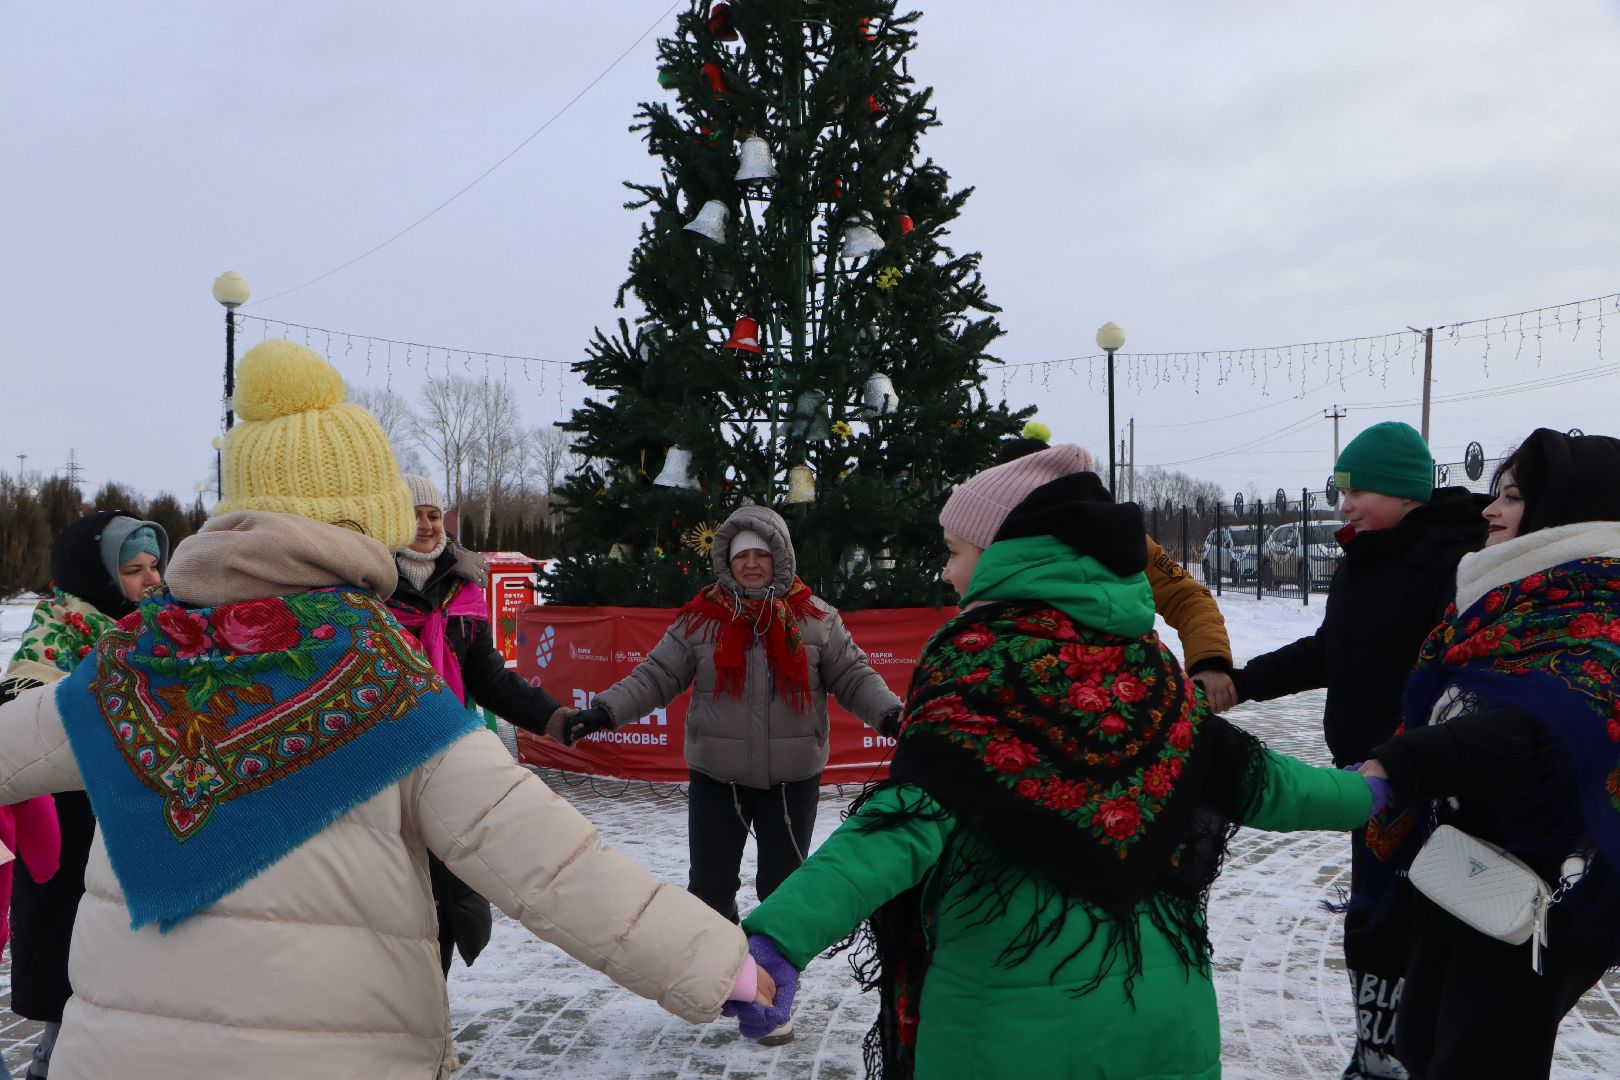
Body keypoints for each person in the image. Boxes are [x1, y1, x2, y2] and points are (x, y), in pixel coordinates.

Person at [0, 340, 769, 1079]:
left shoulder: (134, 661)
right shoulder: (383, 685)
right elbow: (551, 863)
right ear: (364, 526)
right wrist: (722, 966)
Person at [723, 444, 1386, 1078]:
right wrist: (1369, 792)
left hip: (1001, 1027)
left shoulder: (976, 668)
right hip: (1164, 1020)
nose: (948, 573)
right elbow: (1264, 782)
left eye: (955, 553)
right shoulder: (1152, 673)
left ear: (1005, 557)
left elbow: (901, 825)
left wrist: (780, 936)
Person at [554, 503, 903, 1042]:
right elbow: (655, 676)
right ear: (727, 562)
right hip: (718, 778)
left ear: (780, 558)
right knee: (710, 887)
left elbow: (855, 677)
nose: (753, 565)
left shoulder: (816, 618)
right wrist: (602, 712)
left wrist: (890, 715)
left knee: (783, 891)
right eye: (743, 556)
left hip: (791, 779)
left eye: (763, 555)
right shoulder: (700, 621)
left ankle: (775, 995)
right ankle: (724, 980)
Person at [1230, 420, 1489, 1079]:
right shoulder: (1362, 562)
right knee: (1376, 919)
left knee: (1426, 921)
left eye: (1359, 491)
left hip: (1427, 778)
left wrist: (1411, 752)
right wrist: (1239, 684)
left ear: (1405, 493)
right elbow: (1330, 652)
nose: (1344, 505)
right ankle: (1379, 1053)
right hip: (1367, 780)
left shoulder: (1451, 561)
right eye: (1340, 491)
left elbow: (1458, 674)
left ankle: (1420, 1054)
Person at [1362, 428, 1620, 1079]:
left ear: (1569, 508)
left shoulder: (1602, 610)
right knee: (1423, 1043)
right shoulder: (1513, 602)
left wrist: (1403, 762)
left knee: (1479, 1058)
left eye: (1511, 496)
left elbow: (1546, 731)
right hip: (1465, 872)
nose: (1489, 509)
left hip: (1548, 893)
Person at [0, 510, 168, 1080]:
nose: (152, 581)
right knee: (75, 997)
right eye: (133, 570)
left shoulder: (157, 628)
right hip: (72, 845)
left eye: (155, 566)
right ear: (95, 575)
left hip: (135, 838)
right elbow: (22, 725)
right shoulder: (59, 632)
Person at [385, 473, 569, 977]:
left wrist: (550, 717)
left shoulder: (463, 586)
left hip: (444, 756)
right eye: (412, 514)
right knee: (390, 893)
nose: (424, 525)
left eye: (431, 514)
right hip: (379, 759)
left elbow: (484, 675)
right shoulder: (368, 587)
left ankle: (436, 1006)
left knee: (447, 895)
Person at [996, 420, 1239, 710]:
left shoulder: (1115, 537)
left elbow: (1185, 596)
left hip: (1117, 700)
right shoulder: (982, 541)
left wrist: (1209, 661)